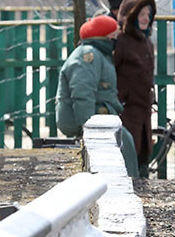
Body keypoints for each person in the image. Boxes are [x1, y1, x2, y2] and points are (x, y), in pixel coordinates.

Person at [56, 15, 138, 176]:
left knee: (126, 141)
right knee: (125, 142)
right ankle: (128, 183)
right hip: (90, 119)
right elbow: (82, 93)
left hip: (100, 115)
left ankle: (129, 182)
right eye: (113, 36)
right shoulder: (88, 55)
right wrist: (86, 128)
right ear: (104, 37)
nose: (116, 40)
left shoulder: (98, 54)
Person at [114, 0, 156, 175]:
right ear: (131, 17)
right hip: (127, 111)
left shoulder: (147, 42)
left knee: (142, 159)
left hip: (144, 112)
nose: (146, 18)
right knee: (128, 160)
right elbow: (111, 72)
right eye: (141, 14)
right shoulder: (121, 41)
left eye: (148, 13)